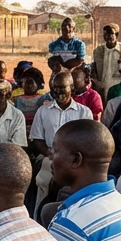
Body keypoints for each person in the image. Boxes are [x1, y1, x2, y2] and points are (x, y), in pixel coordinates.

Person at [30, 72, 93, 209]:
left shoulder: (84, 112)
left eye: (62, 87)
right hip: (50, 158)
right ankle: (38, 216)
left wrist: (71, 159)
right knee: (43, 181)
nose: (57, 91)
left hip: (76, 161)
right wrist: (51, 154)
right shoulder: (43, 111)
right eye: (54, 87)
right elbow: (37, 139)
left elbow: (87, 141)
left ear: (71, 87)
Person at [93, 23, 121, 95]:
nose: (108, 36)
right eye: (105, 34)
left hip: (118, 89)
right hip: (102, 88)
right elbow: (95, 70)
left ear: (116, 35)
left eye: (111, 34)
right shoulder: (98, 51)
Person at [13, 68, 49, 134]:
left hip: (38, 132)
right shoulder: (17, 100)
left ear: (38, 84)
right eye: (25, 82)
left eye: (31, 83)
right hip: (21, 132)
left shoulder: (43, 98)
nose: (28, 85)